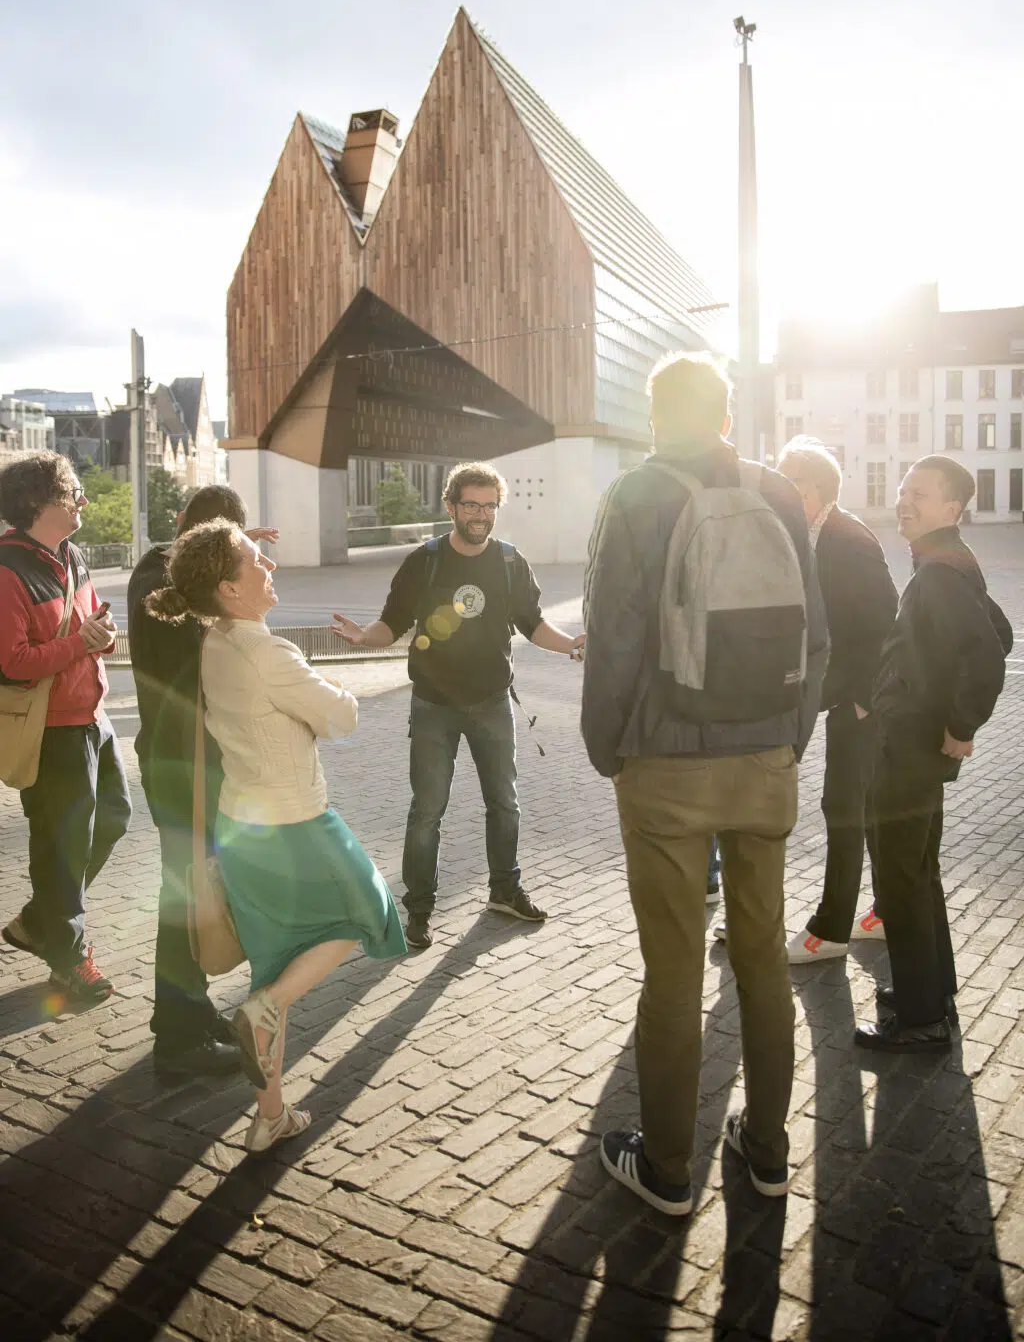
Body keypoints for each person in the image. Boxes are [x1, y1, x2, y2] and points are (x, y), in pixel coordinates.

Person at [582, 353, 827, 1215]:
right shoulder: (780, 493)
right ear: (726, 417)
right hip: (766, 761)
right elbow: (816, 634)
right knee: (762, 959)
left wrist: (608, 749)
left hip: (666, 763)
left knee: (674, 971)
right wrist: (789, 739)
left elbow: (612, 637)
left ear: (654, 418)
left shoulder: (633, 496)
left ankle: (667, 1168)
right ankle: (768, 1151)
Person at [146, 518, 406, 1152]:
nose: (269, 567)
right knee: (369, 911)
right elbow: (342, 717)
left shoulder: (213, 642)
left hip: (241, 826)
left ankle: (270, 1117)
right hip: (297, 822)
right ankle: (267, 1009)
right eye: (254, 561)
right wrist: (327, 689)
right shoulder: (269, 654)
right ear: (229, 590)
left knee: (272, 965)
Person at [333, 461, 585, 950]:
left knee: (505, 803)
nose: (480, 515)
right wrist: (365, 637)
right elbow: (392, 623)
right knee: (427, 811)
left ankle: (505, 891)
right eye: (471, 505)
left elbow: (533, 624)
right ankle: (419, 910)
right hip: (434, 705)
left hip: (492, 702)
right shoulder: (424, 562)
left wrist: (571, 643)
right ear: (450, 506)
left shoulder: (510, 562)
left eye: (489, 506)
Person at [854, 456, 1011, 1054]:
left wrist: (960, 724)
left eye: (919, 494)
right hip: (916, 743)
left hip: (910, 748)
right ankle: (930, 993)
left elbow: (988, 655)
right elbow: (1000, 633)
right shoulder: (949, 561)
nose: (904, 501)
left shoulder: (941, 572)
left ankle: (920, 1019)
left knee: (900, 876)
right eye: (903, 490)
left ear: (951, 508)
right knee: (918, 872)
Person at [127, 484, 278, 1082]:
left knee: (197, 887)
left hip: (183, 760)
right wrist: (237, 580)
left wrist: (239, 565)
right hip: (184, 764)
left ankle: (189, 1008)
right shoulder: (169, 583)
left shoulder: (160, 571)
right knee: (188, 896)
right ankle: (178, 1036)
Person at [0, 452, 130, 1003]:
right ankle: (68, 961)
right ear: (38, 501)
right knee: (62, 847)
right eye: (74, 492)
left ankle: (39, 921)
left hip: (92, 716)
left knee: (114, 818)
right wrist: (80, 644)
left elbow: (90, 619)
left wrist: (103, 632)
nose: (84, 500)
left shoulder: (71, 554)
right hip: (51, 731)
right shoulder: (7, 570)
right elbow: (12, 663)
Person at [777, 437, 898, 963]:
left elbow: (886, 622)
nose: (783, 492)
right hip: (836, 691)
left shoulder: (848, 538)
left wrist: (864, 698)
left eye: (793, 483)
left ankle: (830, 929)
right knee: (862, 808)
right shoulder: (807, 533)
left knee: (843, 805)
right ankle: (888, 910)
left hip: (861, 697)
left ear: (819, 490)